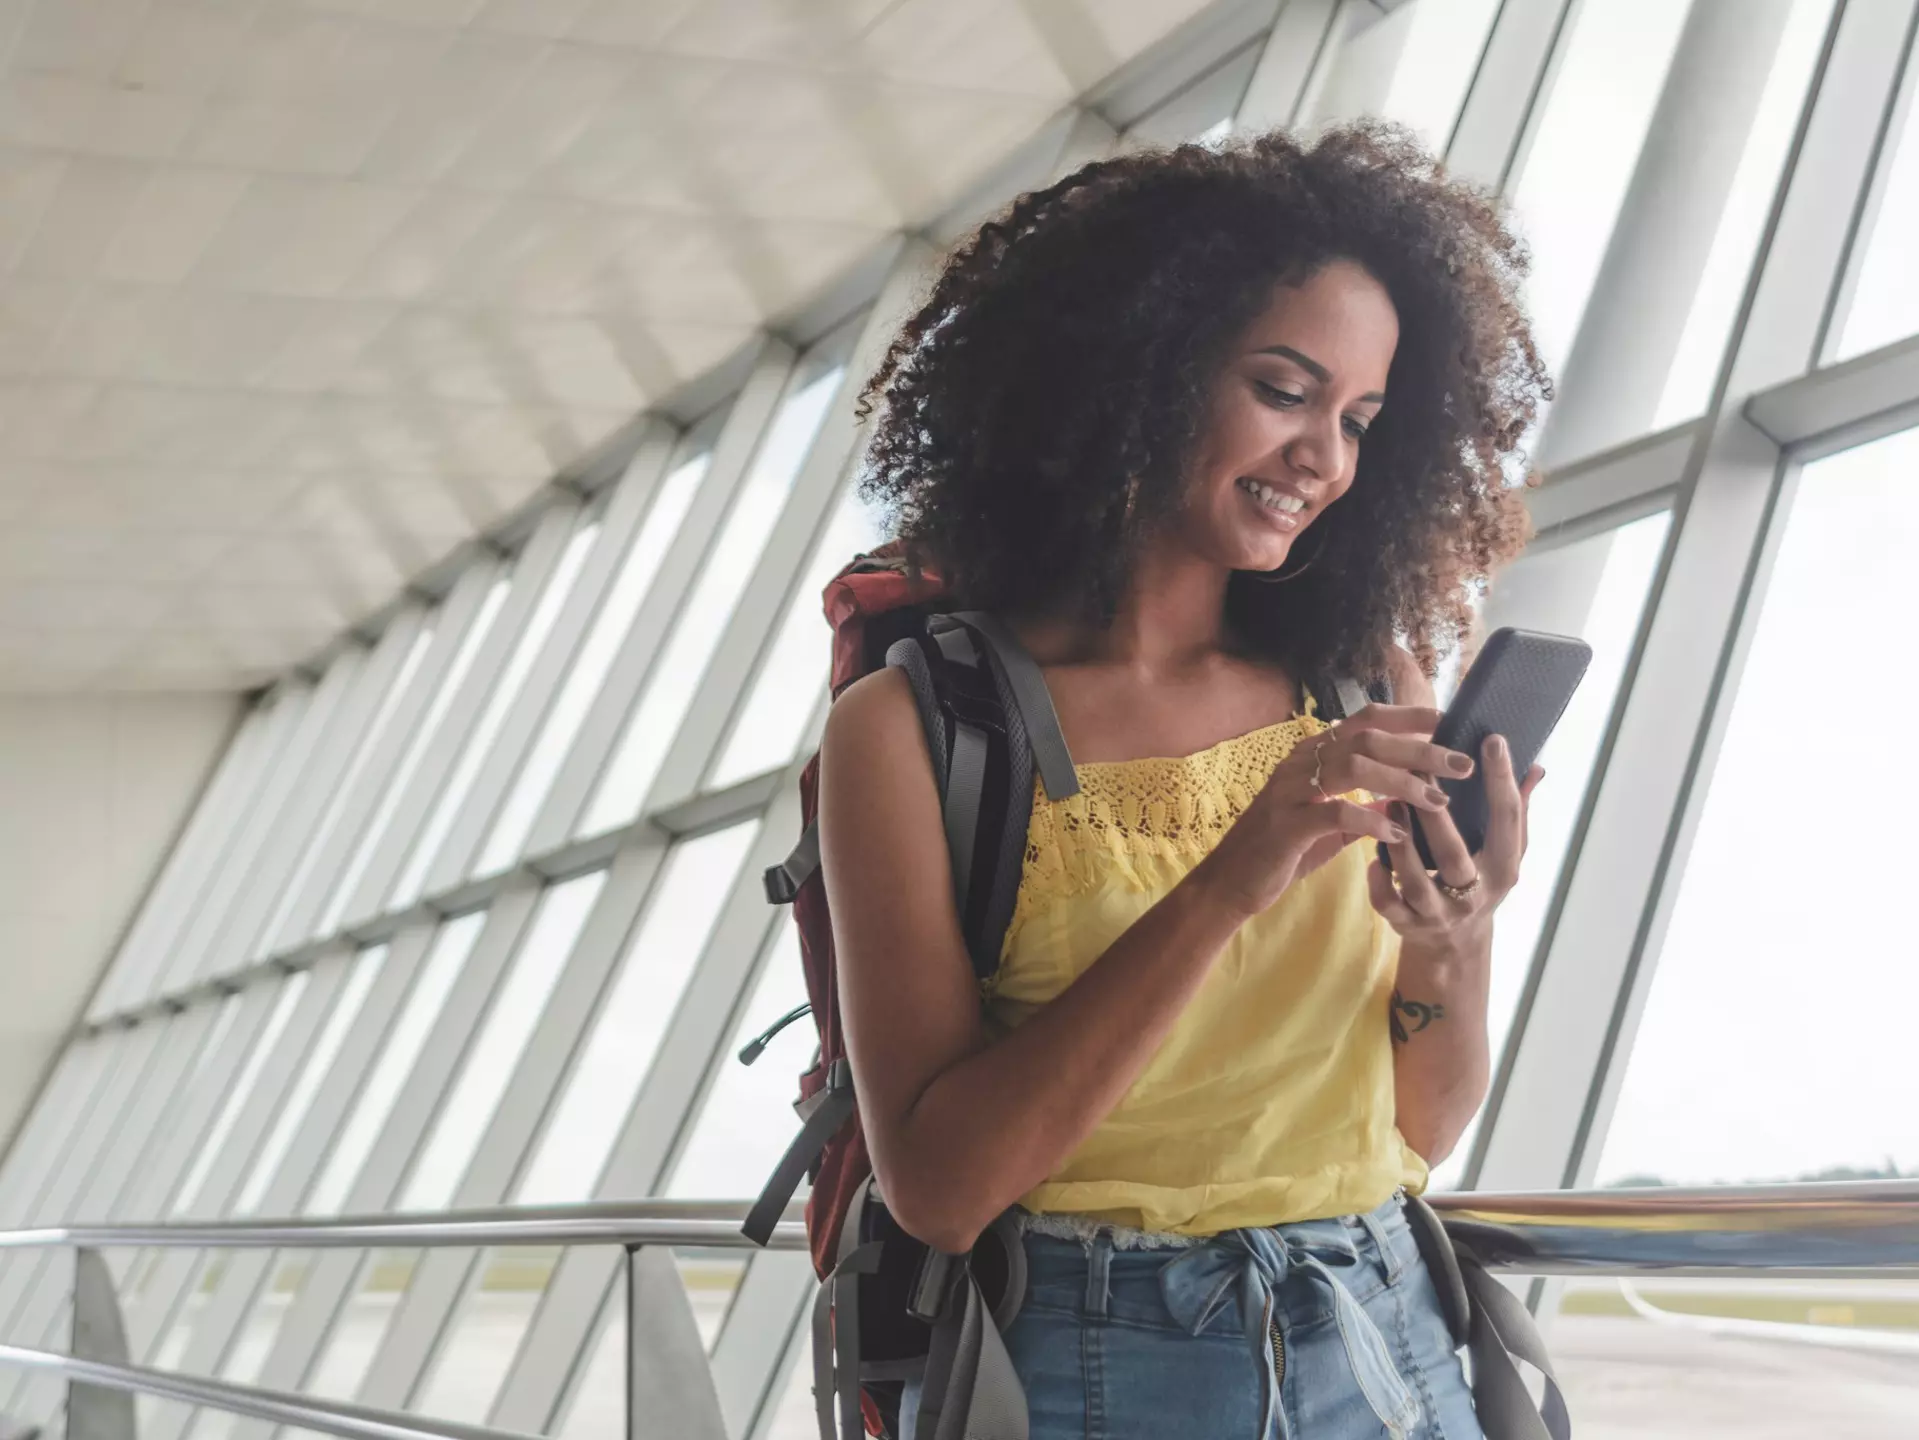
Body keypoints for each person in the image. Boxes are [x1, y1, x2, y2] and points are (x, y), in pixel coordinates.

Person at [817, 122, 1550, 1440]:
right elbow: (938, 1186)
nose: (1324, 459)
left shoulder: (1357, 680)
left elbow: (1419, 1129)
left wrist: (1452, 939)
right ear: (1135, 371)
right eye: (1282, 390)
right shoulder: (915, 730)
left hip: (1387, 1329)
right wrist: (1232, 876)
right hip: (1093, 1366)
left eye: (1360, 421)